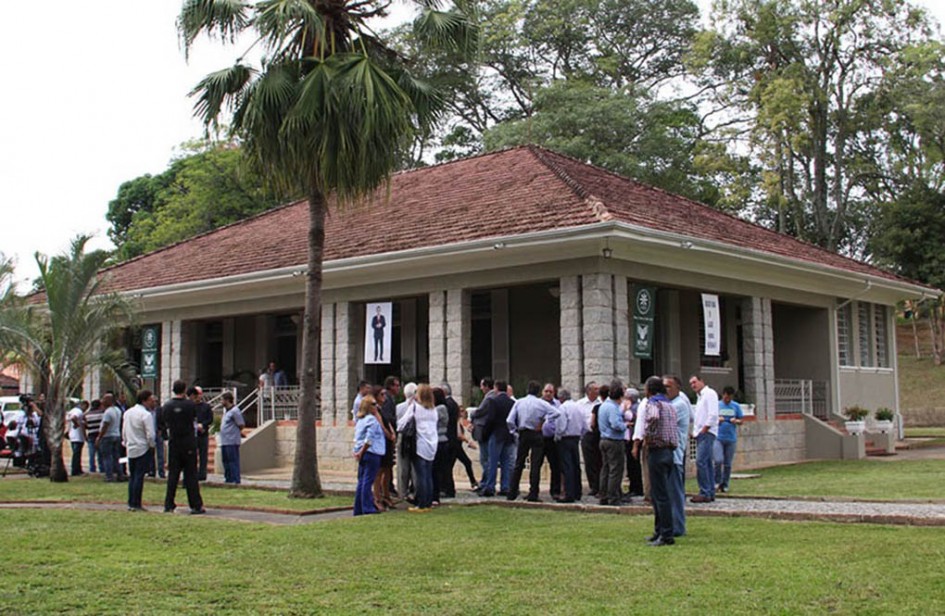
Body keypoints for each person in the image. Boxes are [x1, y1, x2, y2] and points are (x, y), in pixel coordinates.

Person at [635, 376, 679, 547]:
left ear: (649, 390)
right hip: (669, 451)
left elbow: (652, 418)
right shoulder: (670, 405)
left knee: (660, 495)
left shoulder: (653, 403)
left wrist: (647, 436)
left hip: (657, 450)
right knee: (660, 493)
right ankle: (659, 530)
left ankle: (666, 534)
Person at [160, 379, 205, 514]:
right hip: (188, 442)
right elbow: (193, 419)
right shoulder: (190, 405)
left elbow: (164, 422)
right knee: (191, 475)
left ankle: (169, 504)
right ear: (184, 389)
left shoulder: (167, 406)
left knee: (173, 475)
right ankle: (195, 505)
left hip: (174, 442)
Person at [506, 380, 555, 502]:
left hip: (523, 433)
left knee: (519, 463)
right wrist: (543, 421)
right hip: (536, 432)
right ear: (539, 392)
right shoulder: (541, 403)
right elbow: (556, 413)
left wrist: (514, 431)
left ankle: (512, 492)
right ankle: (533, 493)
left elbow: (509, 420)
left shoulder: (519, 402)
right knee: (535, 464)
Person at [398, 384, 439, 512]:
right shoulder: (434, 410)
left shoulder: (415, 407)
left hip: (420, 444)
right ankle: (428, 502)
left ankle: (421, 503)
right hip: (432, 444)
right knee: (428, 475)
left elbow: (402, 423)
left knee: (420, 476)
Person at [664, 374, 692, 537]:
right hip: (666, 455)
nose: (665, 389)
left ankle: (678, 526)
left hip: (674, 455)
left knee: (674, 492)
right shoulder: (668, 404)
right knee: (667, 493)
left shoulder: (679, 405)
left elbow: (665, 424)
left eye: (668, 386)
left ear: (677, 388)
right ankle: (669, 525)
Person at [477, 379, 515, 497]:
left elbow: (491, 419)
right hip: (508, 434)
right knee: (505, 461)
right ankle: (505, 486)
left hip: (496, 434)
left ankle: (490, 486)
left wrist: (485, 433)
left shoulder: (494, 401)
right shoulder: (511, 402)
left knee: (492, 461)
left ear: (496, 388)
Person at [123, 390, 157, 511]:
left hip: (131, 446)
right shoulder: (146, 415)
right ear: (144, 401)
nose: (152, 403)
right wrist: (152, 445)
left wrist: (125, 442)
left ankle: (131, 502)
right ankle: (136, 503)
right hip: (142, 447)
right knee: (139, 476)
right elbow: (150, 434)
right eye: (150, 401)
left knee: (133, 476)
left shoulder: (127, 413)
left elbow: (124, 430)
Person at [353, 395, 385, 516]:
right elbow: (369, 438)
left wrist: (357, 451)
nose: (376, 406)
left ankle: (359, 507)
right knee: (367, 480)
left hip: (363, 453)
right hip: (371, 452)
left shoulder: (360, 420)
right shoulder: (372, 420)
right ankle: (367, 507)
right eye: (373, 404)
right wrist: (362, 451)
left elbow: (357, 438)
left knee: (362, 481)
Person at [690, 374, 719, 503]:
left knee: (701, 461)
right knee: (706, 463)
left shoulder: (709, 393)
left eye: (695, 382)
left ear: (701, 381)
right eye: (691, 384)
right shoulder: (700, 397)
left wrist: (704, 429)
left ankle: (705, 491)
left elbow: (712, 414)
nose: (693, 385)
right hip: (701, 432)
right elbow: (699, 416)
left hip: (707, 432)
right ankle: (710, 491)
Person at [597, 381, 627, 506]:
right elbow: (615, 424)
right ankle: (613, 497)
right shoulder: (613, 407)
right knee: (615, 470)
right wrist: (625, 426)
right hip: (613, 440)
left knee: (606, 469)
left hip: (603, 439)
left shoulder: (604, 405)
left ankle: (603, 495)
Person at [554, 388, 587, 503]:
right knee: (575, 465)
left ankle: (569, 493)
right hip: (576, 438)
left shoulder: (563, 408)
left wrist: (557, 436)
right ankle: (578, 491)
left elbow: (561, 425)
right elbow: (585, 425)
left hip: (565, 438)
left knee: (567, 466)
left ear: (561, 398)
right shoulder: (578, 406)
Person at [370, 386, 396, 510]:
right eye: (382, 395)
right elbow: (380, 424)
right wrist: (388, 434)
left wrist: (392, 433)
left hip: (388, 442)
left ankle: (386, 495)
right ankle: (377, 497)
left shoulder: (384, 408)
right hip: (381, 442)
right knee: (379, 472)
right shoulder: (375, 410)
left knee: (387, 469)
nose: (384, 397)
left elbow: (388, 422)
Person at [715, 386, 744, 493]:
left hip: (731, 438)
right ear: (723, 395)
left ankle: (725, 484)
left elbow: (741, 420)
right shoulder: (717, 405)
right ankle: (716, 481)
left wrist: (735, 420)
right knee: (718, 460)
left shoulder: (735, 406)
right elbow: (710, 419)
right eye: (726, 396)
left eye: (730, 397)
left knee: (728, 463)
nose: (728, 399)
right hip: (718, 437)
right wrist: (718, 420)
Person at [537, 383, 563, 500]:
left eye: (550, 392)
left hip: (552, 439)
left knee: (555, 466)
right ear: (542, 392)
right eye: (546, 391)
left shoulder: (558, 405)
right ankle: (534, 490)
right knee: (536, 465)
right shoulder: (537, 404)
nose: (548, 394)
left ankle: (555, 491)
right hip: (539, 438)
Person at [578, 382, 602, 497]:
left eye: (598, 389)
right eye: (595, 389)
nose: (598, 391)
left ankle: (600, 485)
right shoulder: (580, 404)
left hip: (598, 434)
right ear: (589, 391)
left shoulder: (601, 403)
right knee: (589, 462)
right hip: (587, 435)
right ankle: (593, 485)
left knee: (599, 461)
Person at [395, 382, 418, 501]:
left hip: (402, 437)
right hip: (414, 438)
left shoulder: (399, 407)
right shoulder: (418, 407)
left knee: (402, 467)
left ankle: (402, 492)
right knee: (414, 466)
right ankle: (415, 491)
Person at [96, 393, 125, 482]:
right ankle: (120, 475)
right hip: (116, 435)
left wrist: (99, 437)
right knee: (116, 457)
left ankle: (109, 476)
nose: (102, 401)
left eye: (104, 399)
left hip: (107, 436)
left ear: (109, 401)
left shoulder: (108, 412)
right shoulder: (117, 410)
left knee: (107, 457)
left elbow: (105, 425)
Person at [219, 391, 245, 484]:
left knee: (232, 461)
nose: (221, 402)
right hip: (224, 441)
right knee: (225, 461)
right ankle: (228, 479)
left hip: (232, 440)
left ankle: (235, 479)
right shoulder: (226, 412)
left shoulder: (235, 411)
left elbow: (241, 424)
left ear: (227, 400)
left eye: (222, 400)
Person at [191, 386, 213, 481]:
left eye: (199, 394)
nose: (197, 396)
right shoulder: (190, 406)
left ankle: (202, 474)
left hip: (203, 434)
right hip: (192, 434)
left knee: (203, 455)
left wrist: (203, 425)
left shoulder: (206, 406)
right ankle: (193, 473)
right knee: (192, 455)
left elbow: (210, 419)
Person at [67, 400, 88, 476]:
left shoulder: (72, 410)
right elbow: (73, 418)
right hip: (78, 436)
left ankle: (78, 468)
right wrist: (77, 424)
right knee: (77, 454)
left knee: (76, 453)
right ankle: (75, 470)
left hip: (72, 435)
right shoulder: (78, 411)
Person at [84, 399, 104, 473]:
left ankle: (92, 468)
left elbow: (85, 425)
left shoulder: (87, 414)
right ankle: (102, 468)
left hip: (91, 435)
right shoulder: (102, 413)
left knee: (91, 454)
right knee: (100, 454)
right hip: (99, 435)